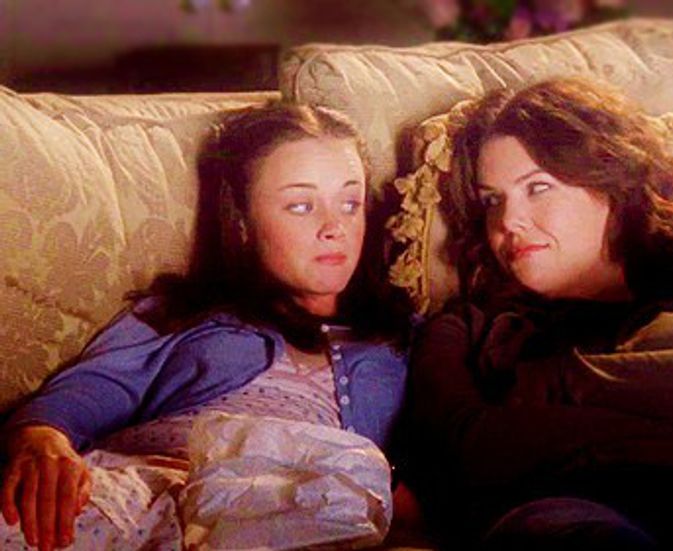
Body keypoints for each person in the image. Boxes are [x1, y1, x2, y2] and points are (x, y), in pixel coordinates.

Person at [405, 78, 673, 550]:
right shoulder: (464, 329)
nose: (508, 221)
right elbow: (466, 452)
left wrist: (554, 382)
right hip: (558, 507)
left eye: (537, 187)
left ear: (611, 185)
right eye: (492, 200)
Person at [0, 103, 410, 551]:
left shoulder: (400, 339)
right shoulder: (180, 314)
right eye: (300, 205)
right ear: (242, 222)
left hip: (297, 512)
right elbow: (90, 392)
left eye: (350, 203)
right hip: (147, 490)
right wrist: (42, 438)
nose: (335, 228)